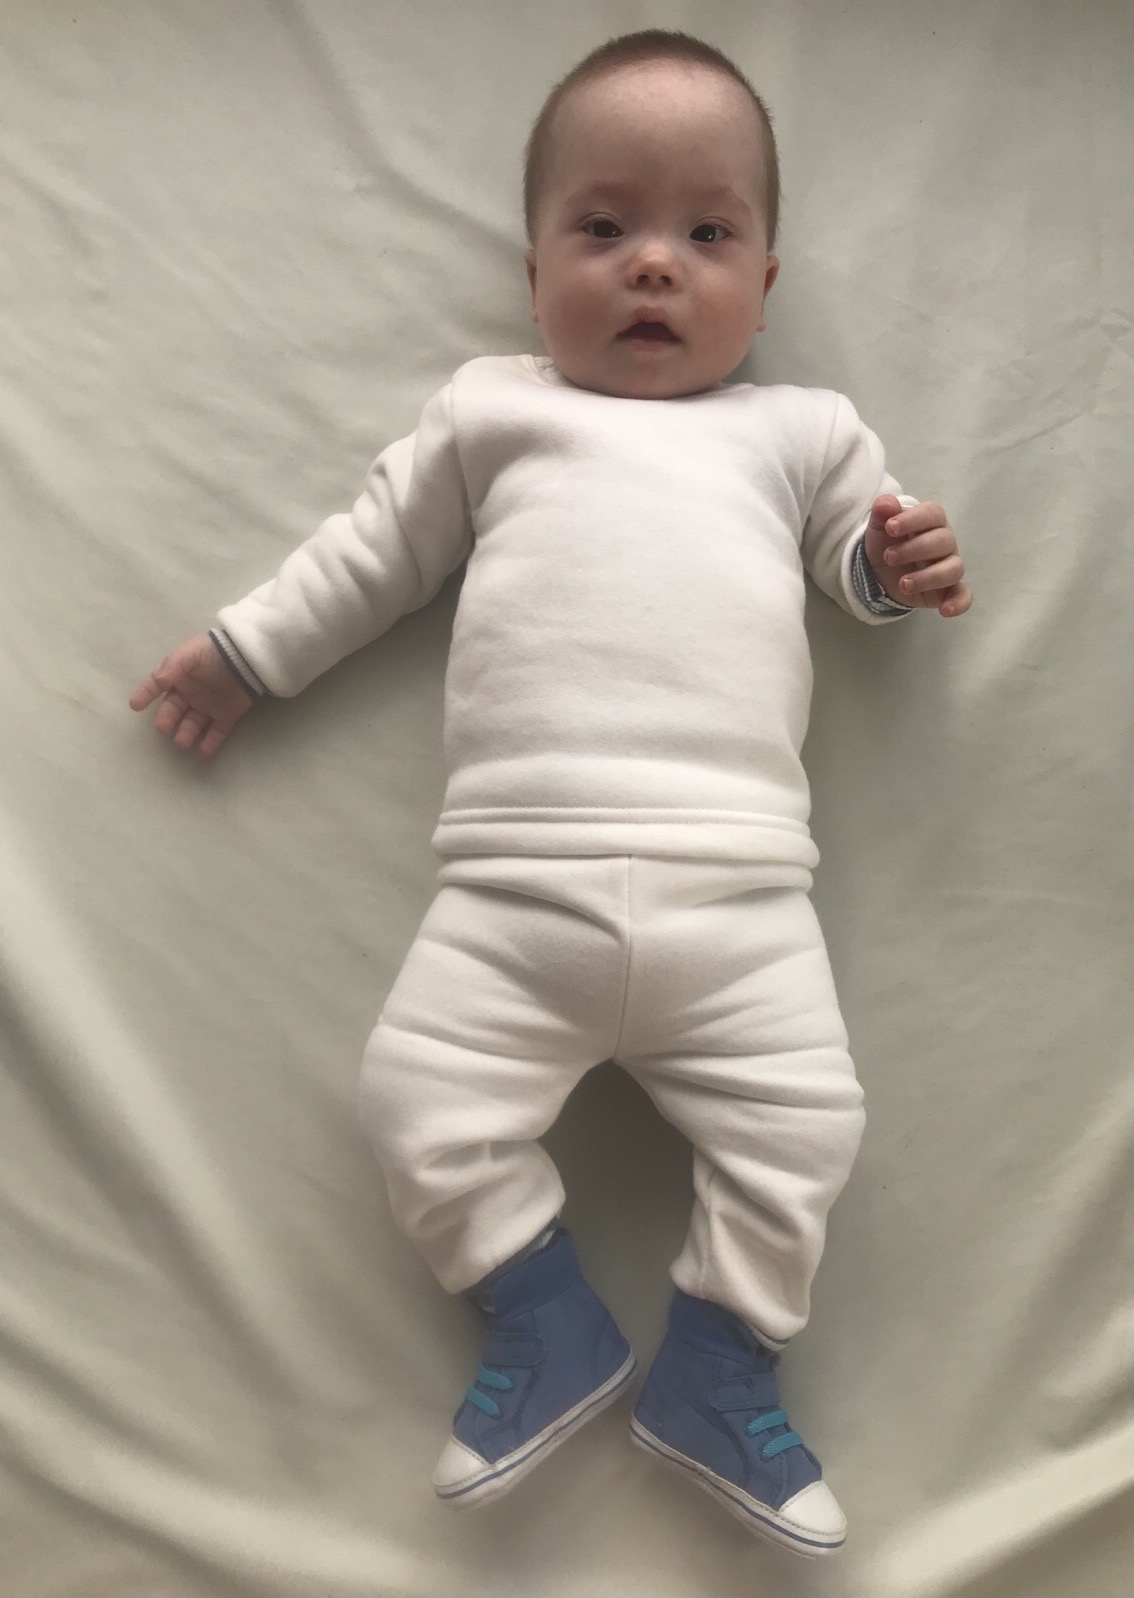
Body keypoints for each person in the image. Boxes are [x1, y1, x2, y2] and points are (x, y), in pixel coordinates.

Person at [130, 29, 971, 1558]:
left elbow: (860, 557)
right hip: (514, 892)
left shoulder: (800, 431)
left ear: (765, 282)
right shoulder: (492, 413)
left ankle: (720, 1364)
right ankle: (544, 1318)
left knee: (808, 1128)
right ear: (532, 276)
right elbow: (368, 557)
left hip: (737, 901)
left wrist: (894, 562)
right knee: (415, 1106)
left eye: (703, 232)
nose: (651, 264)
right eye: (601, 227)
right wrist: (246, 656)